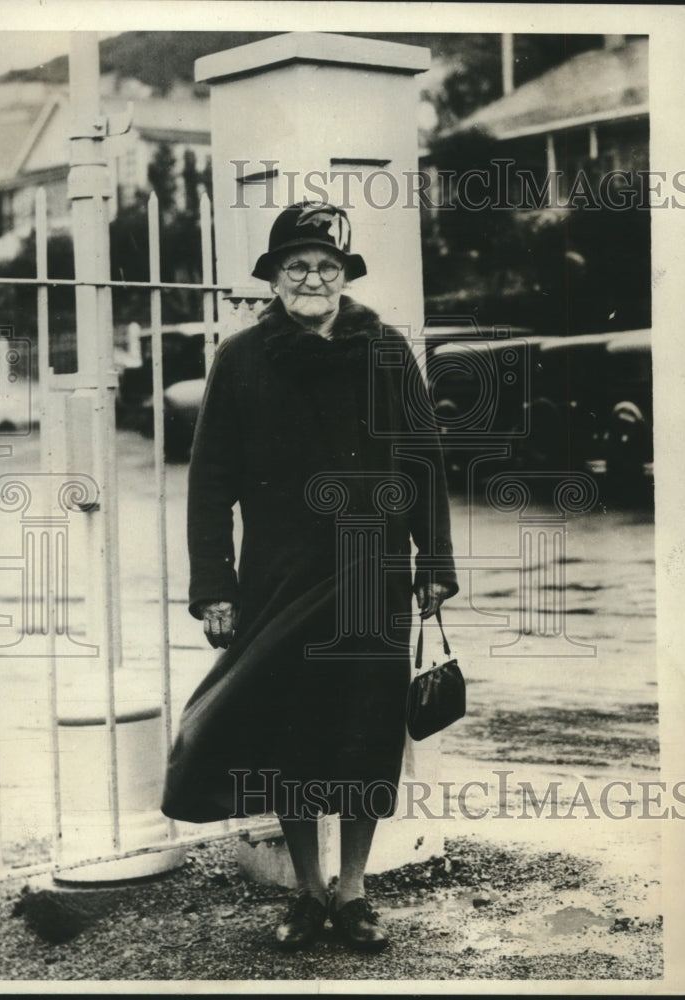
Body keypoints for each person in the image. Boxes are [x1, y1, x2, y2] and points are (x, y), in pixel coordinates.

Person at [162, 200, 458, 953]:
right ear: (274, 276)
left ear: (343, 275)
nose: (313, 278)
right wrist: (214, 587)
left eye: (326, 267)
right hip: (278, 574)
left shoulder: (386, 349)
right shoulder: (240, 358)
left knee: (363, 729)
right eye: (297, 266)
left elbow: (423, 461)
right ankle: (305, 891)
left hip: (373, 570)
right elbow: (210, 482)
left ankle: (354, 893)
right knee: (286, 728)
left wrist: (435, 564)